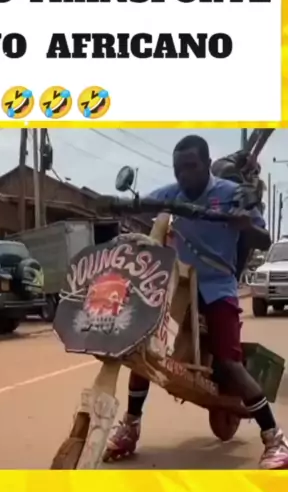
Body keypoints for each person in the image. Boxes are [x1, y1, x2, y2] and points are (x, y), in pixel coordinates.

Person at [104, 134, 288, 470]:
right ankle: (130, 426)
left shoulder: (231, 194)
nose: (184, 175)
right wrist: (116, 204)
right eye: (178, 169)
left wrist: (245, 223)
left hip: (218, 285)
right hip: (179, 283)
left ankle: (275, 438)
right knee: (144, 346)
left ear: (206, 165)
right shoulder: (173, 194)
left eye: (190, 167)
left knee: (229, 365)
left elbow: (264, 239)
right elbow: (145, 202)